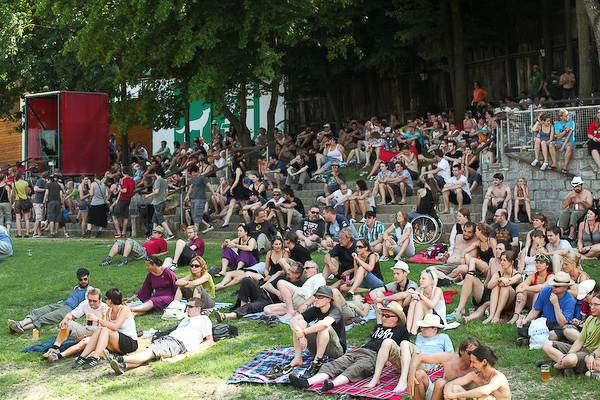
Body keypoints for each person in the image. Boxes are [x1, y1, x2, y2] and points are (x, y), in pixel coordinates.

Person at [288, 301, 410, 392]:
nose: (383, 318)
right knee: (335, 364)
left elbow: (403, 350)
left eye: (387, 316)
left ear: (396, 319)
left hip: (374, 356)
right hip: (361, 350)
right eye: (383, 315)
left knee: (356, 369)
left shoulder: (401, 330)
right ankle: (307, 382)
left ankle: (332, 385)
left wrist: (389, 359)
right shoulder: (378, 327)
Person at [110, 296, 213, 374]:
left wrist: (197, 348)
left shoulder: (204, 319)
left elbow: (210, 340)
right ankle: (124, 365)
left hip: (177, 343)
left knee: (149, 353)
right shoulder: (187, 318)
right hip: (169, 339)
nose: (187, 308)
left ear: (198, 308)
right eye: (187, 306)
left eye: (190, 306)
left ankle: (118, 359)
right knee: (149, 354)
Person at [366, 313, 452, 393]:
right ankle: (376, 378)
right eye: (421, 327)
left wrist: (439, 362)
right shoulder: (420, 336)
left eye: (425, 327)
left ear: (435, 329)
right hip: (407, 363)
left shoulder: (443, 337)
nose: (422, 329)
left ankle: (403, 381)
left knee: (405, 343)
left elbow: (451, 355)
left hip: (423, 364)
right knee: (387, 341)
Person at [287, 286, 347, 378]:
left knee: (323, 326)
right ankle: (298, 358)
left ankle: (317, 361)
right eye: (316, 297)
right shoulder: (315, 309)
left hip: (336, 350)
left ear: (328, 299)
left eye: (319, 297)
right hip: (319, 346)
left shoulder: (335, 311)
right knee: (300, 323)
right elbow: (293, 320)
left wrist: (304, 332)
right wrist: (300, 334)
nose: (316, 299)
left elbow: (325, 324)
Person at [8, 268, 91, 333]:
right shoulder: (76, 287)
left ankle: (20, 328)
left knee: (44, 318)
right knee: (38, 312)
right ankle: (21, 323)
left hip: (69, 310)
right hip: (61, 304)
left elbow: (90, 304)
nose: (83, 281)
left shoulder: (89, 290)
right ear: (78, 279)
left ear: (88, 277)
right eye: (81, 280)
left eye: (85, 279)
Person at [537, 292, 600, 377]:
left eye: (596, 305)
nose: (592, 307)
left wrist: (592, 355)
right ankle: (566, 364)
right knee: (547, 345)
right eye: (591, 304)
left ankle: (555, 365)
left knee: (571, 359)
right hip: (582, 349)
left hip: (590, 354)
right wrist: (569, 353)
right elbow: (580, 341)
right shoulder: (590, 319)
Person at [72, 288, 138, 369]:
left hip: (129, 343)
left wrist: (97, 319)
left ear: (111, 300)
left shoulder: (124, 310)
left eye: (106, 298)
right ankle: (82, 356)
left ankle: (95, 357)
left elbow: (115, 326)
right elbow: (104, 327)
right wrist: (103, 315)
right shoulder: (109, 311)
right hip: (116, 342)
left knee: (105, 330)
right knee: (100, 329)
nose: (105, 300)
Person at [215, 262, 305, 321]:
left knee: (250, 306)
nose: (288, 272)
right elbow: (268, 285)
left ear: (297, 275)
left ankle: (226, 316)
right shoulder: (283, 277)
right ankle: (242, 305)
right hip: (261, 291)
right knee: (247, 280)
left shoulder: (298, 285)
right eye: (288, 269)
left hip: (268, 301)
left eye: (291, 271)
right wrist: (277, 292)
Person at [43, 288, 106, 363]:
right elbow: (71, 314)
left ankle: (58, 356)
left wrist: (85, 336)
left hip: (97, 336)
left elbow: (103, 330)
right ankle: (54, 348)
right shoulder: (85, 304)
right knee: (68, 323)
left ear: (100, 300)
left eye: (94, 301)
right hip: (87, 330)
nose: (91, 303)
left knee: (84, 342)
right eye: (90, 300)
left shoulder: (105, 309)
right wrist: (65, 319)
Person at [406, 337, 481, 400]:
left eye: (476, 353)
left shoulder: (478, 366)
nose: (473, 356)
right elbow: (417, 357)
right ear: (461, 351)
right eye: (470, 353)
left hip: (462, 397)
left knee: (441, 383)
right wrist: (411, 376)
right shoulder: (449, 358)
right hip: (440, 394)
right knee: (419, 374)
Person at [516, 271, 576, 346]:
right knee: (521, 327)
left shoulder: (569, 300)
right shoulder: (546, 291)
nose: (553, 288)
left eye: (556, 286)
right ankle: (539, 339)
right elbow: (536, 310)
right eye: (553, 285)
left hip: (557, 325)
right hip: (544, 322)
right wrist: (526, 320)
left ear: (565, 288)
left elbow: (562, 323)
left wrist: (556, 305)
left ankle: (532, 339)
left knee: (559, 332)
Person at [443, 346, 511, 400]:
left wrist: (456, 395)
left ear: (484, 362)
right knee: (454, 388)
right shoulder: (475, 375)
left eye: (474, 362)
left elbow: (485, 391)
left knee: (487, 398)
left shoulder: (499, 378)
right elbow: (451, 383)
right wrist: (448, 395)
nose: (471, 365)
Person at [510, 253, 554, 324]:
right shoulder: (533, 275)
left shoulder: (551, 276)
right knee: (523, 290)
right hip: (531, 301)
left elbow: (542, 287)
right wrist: (520, 292)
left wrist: (525, 288)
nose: (538, 265)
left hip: (546, 302)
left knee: (537, 292)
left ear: (547, 266)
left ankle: (533, 316)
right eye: (537, 263)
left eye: (541, 263)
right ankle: (516, 315)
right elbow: (519, 287)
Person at [483, 250, 521, 324]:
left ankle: (497, 315)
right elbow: (489, 285)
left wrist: (502, 280)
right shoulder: (498, 274)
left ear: (512, 262)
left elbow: (508, 282)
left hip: (511, 303)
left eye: (504, 260)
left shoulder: (517, 274)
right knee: (495, 286)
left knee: (505, 287)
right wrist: (499, 279)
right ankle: (491, 315)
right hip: (500, 300)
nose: (501, 262)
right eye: (501, 260)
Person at [99, 226, 168, 267]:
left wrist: (157, 255)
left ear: (160, 234)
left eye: (155, 232)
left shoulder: (161, 240)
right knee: (119, 242)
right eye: (153, 231)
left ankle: (123, 260)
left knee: (129, 240)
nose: (152, 233)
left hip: (144, 253)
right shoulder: (152, 239)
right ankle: (108, 260)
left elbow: (166, 251)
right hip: (138, 251)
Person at [405, 269, 446, 335]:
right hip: (427, 316)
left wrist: (420, 295)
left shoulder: (437, 290)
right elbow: (405, 304)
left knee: (420, 303)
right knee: (413, 302)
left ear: (431, 281)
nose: (420, 280)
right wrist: (411, 295)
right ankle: (408, 330)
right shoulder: (420, 289)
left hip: (438, 319)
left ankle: (413, 332)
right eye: (420, 278)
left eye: (423, 279)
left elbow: (432, 305)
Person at [144, 166, 175, 239]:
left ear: (155, 173)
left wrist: (148, 195)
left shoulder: (158, 181)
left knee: (161, 219)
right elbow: (166, 192)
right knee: (155, 219)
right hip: (163, 201)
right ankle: (153, 235)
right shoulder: (164, 181)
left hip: (158, 202)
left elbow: (156, 191)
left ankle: (170, 234)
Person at [184, 165, 216, 234]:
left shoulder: (202, 178)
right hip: (195, 199)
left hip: (201, 199)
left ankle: (195, 233)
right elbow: (191, 186)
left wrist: (214, 195)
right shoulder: (193, 178)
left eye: (194, 173)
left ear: (198, 171)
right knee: (194, 215)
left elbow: (209, 185)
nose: (193, 174)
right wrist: (187, 195)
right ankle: (208, 226)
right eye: (192, 173)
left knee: (197, 216)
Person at [559, 176, 593, 242]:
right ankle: (561, 233)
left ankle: (571, 234)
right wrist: (570, 197)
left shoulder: (587, 193)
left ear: (581, 185)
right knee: (564, 213)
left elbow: (590, 207)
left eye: (578, 186)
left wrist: (581, 201)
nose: (577, 188)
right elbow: (564, 206)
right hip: (572, 209)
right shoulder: (571, 193)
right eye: (575, 187)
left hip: (581, 210)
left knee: (574, 214)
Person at [110, 167, 135, 238]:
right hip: (128, 199)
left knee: (114, 216)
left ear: (122, 173)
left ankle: (118, 233)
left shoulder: (124, 180)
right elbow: (133, 190)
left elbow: (124, 190)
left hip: (122, 198)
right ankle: (123, 233)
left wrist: (119, 189)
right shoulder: (132, 180)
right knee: (125, 216)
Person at [550, 108, 576, 174]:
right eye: (565, 116)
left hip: (569, 141)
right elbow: (558, 136)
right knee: (551, 144)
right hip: (560, 141)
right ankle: (554, 163)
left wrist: (563, 146)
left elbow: (569, 136)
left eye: (567, 115)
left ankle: (565, 167)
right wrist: (566, 130)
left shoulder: (571, 123)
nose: (567, 117)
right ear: (561, 117)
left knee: (568, 147)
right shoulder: (557, 125)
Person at [85, 173, 108, 238]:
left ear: (95, 178)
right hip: (102, 203)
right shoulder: (104, 185)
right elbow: (106, 194)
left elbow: (91, 194)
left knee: (91, 218)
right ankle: (99, 233)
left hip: (95, 203)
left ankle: (88, 232)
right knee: (101, 218)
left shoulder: (93, 184)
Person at [12, 170, 31, 238]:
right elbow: (27, 192)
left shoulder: (14, 184)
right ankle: (27, 233)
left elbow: (13, 194)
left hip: (17, 200)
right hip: (25, 200)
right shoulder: (25, 183)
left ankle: (19, 234)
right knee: (26, 218)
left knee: (18, 218)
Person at [32, 171, 49, 237]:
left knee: (40, 219)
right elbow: (35, 188)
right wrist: (44, 190)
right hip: (38, 202)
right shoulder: (40, 181)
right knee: (38, 218)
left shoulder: (43, 182)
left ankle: (39, 232)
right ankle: (35, 232)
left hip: (40, 202)